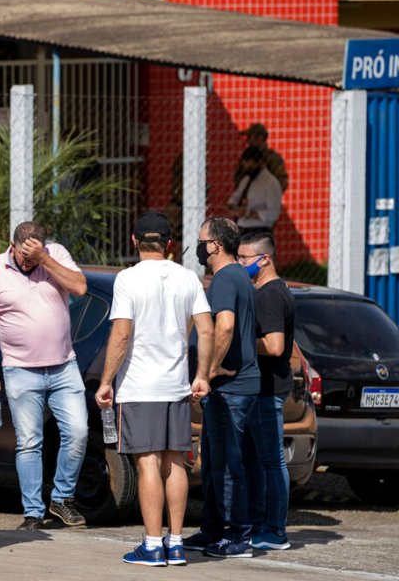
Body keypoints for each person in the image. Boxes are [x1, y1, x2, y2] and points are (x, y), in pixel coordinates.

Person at [95, 210, 214, 567]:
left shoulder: (128, 279)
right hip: (176, 384)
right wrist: (202, 375)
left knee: (147, 463)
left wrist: (105, 381)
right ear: (170, 245)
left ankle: (152, 544)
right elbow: (206, 330)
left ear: (134, 241)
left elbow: (122, 333)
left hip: (139, 386)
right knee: (175, 462)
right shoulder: (188, 278)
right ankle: (176, 543)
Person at [0, 222, 89, 530]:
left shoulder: (55, 254)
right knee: (28, 442)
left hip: (64, 365)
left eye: (33, 257)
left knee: (78, 432)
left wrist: (45, 260)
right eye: (25, 257)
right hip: (18, 369)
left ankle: (62, 498)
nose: (28, 264)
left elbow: (79, 287)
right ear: (13, 246)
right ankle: (33, 513)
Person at [183, 217, 260, 558]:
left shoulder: (227, 278)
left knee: (228, 463)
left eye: (202, 240)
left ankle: (238, 535)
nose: (199, 247)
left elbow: (224, 327)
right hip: (229, 388)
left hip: (231, 387)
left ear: (215, 244)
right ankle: (213, 529)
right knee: (214, 460)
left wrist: (209, 371)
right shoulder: (235, 277)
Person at [238, 231, 295, 551]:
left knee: (271, 461)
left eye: (245, 258)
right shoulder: (265, 290)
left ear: (265, 259)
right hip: (259, 390)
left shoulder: (271, 294)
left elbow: (274, 346)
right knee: (254, 461)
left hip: (267, 389)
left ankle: (275, 530)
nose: (241, 263)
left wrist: (240, 343)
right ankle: (258, 524)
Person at [227, 146, 282, 237]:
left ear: (260, 162)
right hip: (241, 228)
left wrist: (247, 213)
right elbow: (233, 199)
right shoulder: (246, 180)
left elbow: (273, 213)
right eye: (245, 164)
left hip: (260, 230)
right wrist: (234, 209)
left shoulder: (271, 183)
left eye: (250, 165)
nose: (247, 168)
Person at [234, 123, 288, 192]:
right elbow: (238, 179)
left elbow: (282, 181)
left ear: (260, 138)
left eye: (249, 137)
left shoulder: (272, 158)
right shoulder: (246, 157)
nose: (247, 141)